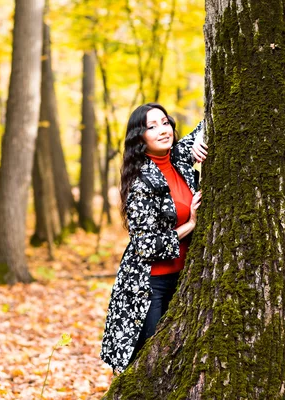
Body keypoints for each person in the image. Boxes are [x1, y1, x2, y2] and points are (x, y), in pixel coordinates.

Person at [100, 103, 208, 373]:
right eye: (152, 126)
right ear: (140, 138)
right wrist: (191, 224)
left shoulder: (178, 159)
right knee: (154, 363)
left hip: (184, 278)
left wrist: (201, 142)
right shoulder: (140, 182)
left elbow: (209, 122)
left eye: (165, 122)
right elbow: (148, 246)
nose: (163, 130)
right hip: (151, 286)